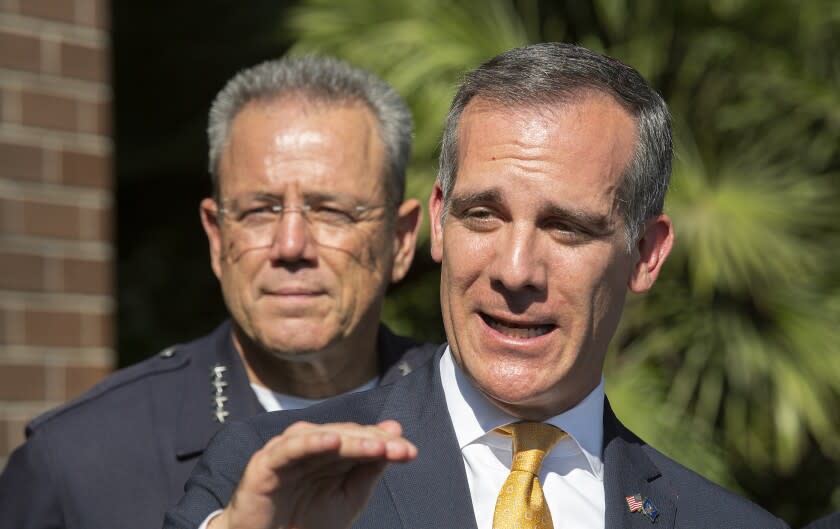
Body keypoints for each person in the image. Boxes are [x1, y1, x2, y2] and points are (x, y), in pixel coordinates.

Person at [164, 43, 790, 529]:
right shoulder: (276, 480)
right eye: (483, 215)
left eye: (565, 227)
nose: (514, 270)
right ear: (439, 221)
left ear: (646, 255)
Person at [0, 56, 436, 529]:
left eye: (331, 211)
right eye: (259, 211)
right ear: (216, 236)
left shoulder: (480, 426)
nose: (290, 246)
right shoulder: (75, 464)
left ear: (401, 239)